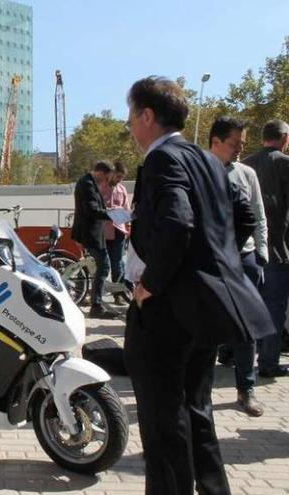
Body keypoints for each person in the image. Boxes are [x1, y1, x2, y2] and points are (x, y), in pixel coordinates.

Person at [124, 76, 273, 495]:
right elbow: (241, 215)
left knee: (163, 418)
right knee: (198, 408)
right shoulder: (207, 160)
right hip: (204, 309)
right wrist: (215, 260)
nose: (130, 126)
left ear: (148, 116)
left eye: (131, 116)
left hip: (168, 310)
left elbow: (177, 222)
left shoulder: (162, 159)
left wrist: (150, 284)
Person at [209, 116, 268, 416]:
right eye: (235, 144)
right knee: (206, 328)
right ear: (216, 141)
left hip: (243, 259)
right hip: (210, 260)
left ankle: (246, 390)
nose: (239, 150)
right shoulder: (199, 171)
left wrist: (261, 251)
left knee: (247, 328)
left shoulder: (247, 174)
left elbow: (258, 213)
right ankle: (198, 391)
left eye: (243, 144)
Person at [243, 119, 289, 378]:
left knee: (245, 304)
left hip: (245, 249)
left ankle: (230, 352)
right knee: (273, 308)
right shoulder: (285, 164)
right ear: (284, 138)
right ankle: (268, 363)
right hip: (278, 249)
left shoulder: (244, 165)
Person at [72, 160, 120, 319]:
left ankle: (96, 302)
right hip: (90, 234)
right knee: (104, 266)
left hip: (91, 233)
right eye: (107, 178)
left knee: (99, 266)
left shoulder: (88, 182)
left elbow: (95, 208)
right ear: (100, 173)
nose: (106, 182)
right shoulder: (87, 184)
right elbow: (92, 210)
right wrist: (112, 214)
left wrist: (109, 211)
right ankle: (96, 306)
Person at [97, 161, 130, 296]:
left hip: (119, 231)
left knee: (118, 262)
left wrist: (128, 227)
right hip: (103, 232)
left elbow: (127, 210)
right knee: (103, 263)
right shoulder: (99, 188)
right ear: (111, 174)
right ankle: (99, 292)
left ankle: (119, 293)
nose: (119, 180)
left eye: (121, 177)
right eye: (118, 176)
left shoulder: (122, 189)